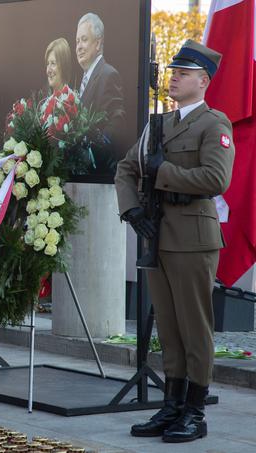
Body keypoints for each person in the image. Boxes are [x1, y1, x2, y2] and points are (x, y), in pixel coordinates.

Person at [115, 40, 234, 443]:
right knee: (168, 327)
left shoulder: (214, 124)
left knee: (194, 328)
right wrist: (131, 210)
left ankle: (195, 412)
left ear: (203, 81)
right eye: (173, 72)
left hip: (194, 240)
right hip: (157, 236)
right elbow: (125, 169)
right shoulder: (158, 124)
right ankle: (171, 406)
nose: (174, 78)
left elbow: (216, 180)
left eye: (183, 74)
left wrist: (163, 171)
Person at [75, 12, 126, 173]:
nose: (79, 47)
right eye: (77, 41)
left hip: (98, 172)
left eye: (84, 39)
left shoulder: (108, 74)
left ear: (98, 44)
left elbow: (117, 124)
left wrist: (91, 154)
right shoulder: (79, 80)